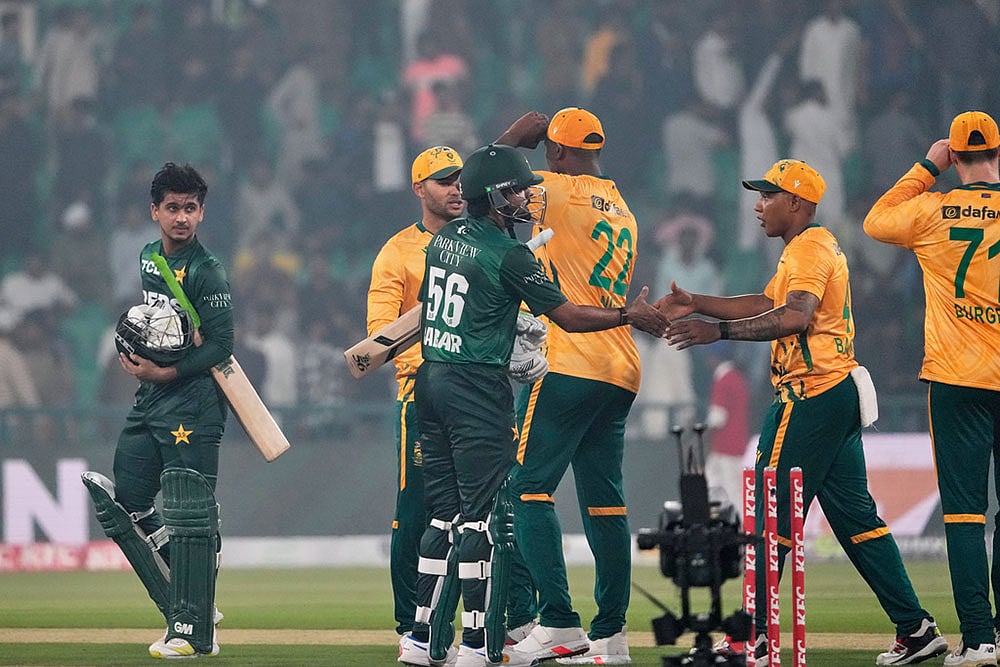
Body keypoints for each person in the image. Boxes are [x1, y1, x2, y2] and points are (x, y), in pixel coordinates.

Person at [656, 159, 947, 667]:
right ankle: (917, 628)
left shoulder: (810, 248)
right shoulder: (806, 248)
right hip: (835, 392)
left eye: (768, 196)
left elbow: (794, 317)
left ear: (796, 202)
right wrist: (697, 302)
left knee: (768, 516)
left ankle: (754, 635)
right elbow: (766, 302)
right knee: (858, 522)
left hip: (809, 395)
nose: (757, 205)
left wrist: (715, 332)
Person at [400, 143, 666, 667]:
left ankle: (419, 640)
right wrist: (626, 315)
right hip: (479, 386)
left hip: (431, 378)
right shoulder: (513, 254)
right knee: (482, 522)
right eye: (517, 190)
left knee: (443, 517)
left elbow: (475, 300)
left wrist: (511, 325)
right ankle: (477, 647)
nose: (526, 196)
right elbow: (566, 316)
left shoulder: (441, 240)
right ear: (497, 196)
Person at [496, 107, 644, 665]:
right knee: (606, 504)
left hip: (567, 359)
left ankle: (558, 622)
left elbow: (481, 184)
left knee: (526, 489)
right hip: (621, 366)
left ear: (554, 152)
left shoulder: (551, 189)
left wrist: (514, 136)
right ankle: (611, 634)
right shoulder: (622, 205)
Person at [863, 111, 1000, 667]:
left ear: (957, 158)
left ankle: (981, 640)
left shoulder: (930, 211)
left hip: (956, 378)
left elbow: (875, 221)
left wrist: (927, 165)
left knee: (965, 515)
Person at [82, 162, 233, 659]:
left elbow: (223, 345)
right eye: (173, 208)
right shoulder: (149, 258)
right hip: (150, 398)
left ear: (201, 213)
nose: (182, 218)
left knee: (189, 510)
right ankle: (198, 588)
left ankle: (192, 631)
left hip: (192, 401)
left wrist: (165, 372)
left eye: (190, 208)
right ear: (155, 211)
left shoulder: (208, 270)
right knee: (129, 496)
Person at [366, 145, 466, 650]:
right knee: (419, 513)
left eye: (459, 180)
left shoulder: (480, 243)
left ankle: (490, 625)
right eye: (444, 180)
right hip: (422, 399)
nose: (455, 189)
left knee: (486, 515)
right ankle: (413, 626)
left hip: (478, 397)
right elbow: (379, 338)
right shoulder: (398, 252)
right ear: (419, 188)